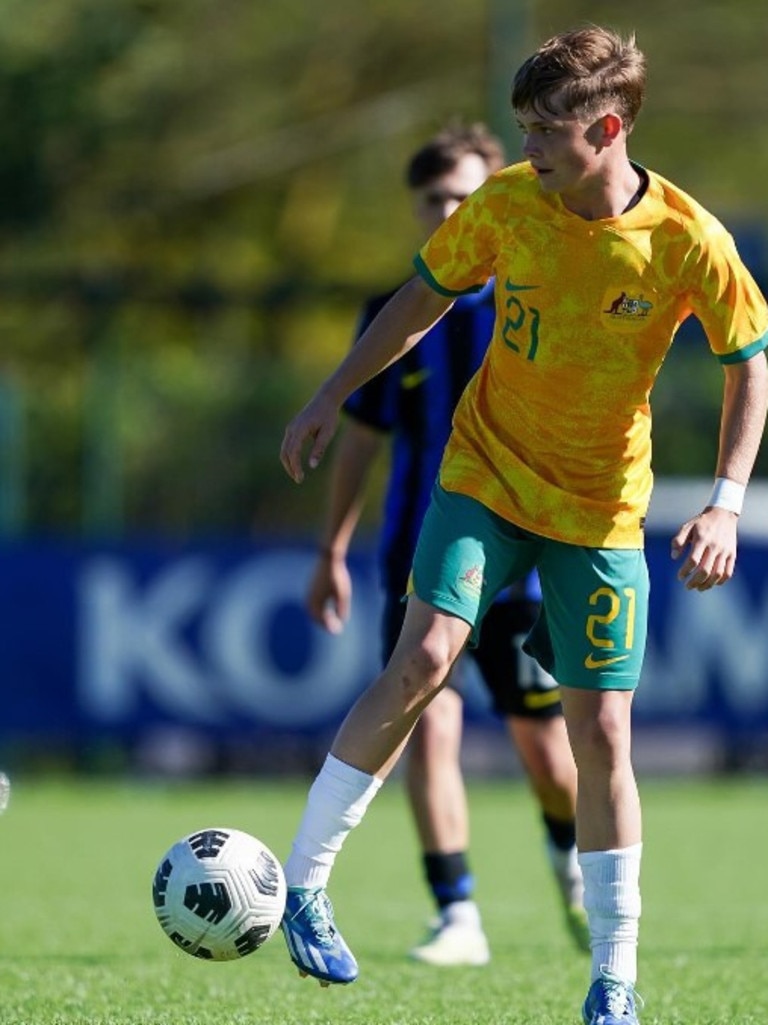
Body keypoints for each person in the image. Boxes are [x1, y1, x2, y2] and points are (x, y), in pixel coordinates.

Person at [279, 24, 768, 1025]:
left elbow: (749, 364)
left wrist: (724, 498)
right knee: (422, 663)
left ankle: (614, 974)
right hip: (485, 476)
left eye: (546, 131)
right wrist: (332, 392)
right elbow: (419, 297)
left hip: (600, 511)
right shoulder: (507, 205)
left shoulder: (687, 239)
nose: (528, 150)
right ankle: (303, 885)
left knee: (600, 732)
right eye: (522, 129)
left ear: (608, 125)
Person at [304, 122, 587, 967]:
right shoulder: (392, 310)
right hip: (415, 555)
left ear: (496, 195)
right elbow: (362, 436)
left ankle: (570, 852)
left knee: (547, 750)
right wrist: (330, 548)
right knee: (425, 723)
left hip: (523, 561)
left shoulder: (529, 293)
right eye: (435, 199)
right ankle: (457, 911)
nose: (449, 210)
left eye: (464, 195)